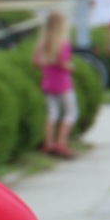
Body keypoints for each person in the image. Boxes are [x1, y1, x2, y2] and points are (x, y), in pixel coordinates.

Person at [34, 11, 78, 158]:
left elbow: (36, 62)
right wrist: (71, 67)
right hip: (63, 84)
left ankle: (49, 143)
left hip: (48, 83)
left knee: (52, 113)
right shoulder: (63, 44)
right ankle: (61, 142)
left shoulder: (42, 44)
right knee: (71, 112)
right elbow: (64, 63)